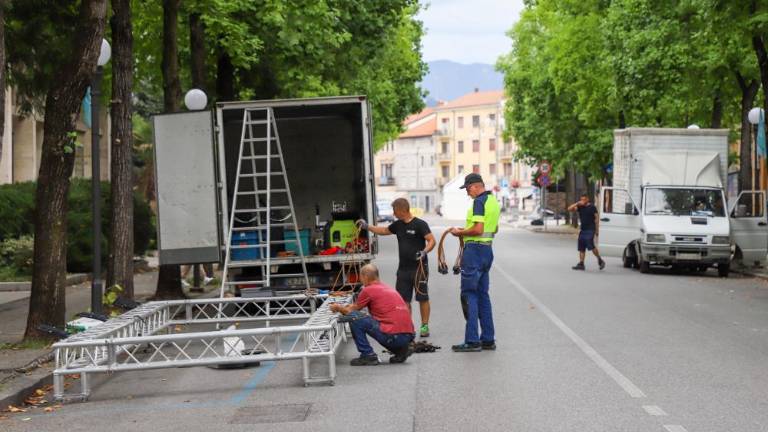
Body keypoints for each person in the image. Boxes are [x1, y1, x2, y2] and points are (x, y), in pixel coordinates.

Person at [356, 198, 436, 337]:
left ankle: (424, 326)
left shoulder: (420, 224)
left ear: (401, 209)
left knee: (422, 297)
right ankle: (408, 327)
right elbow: (383, 230)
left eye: (395, 210)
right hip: (403, 270)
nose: (393, 213)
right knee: (404, 300)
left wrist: (424, 252)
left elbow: (432, 240)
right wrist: (367, 226)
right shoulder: (398, 225)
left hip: (419, 268)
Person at [448, 173, 500, 352]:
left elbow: (478, 229)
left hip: (475, 252)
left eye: (468, 188)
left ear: (477, 186)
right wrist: (466, 230)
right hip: (487, 250)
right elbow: (493, 228)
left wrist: (460, 233)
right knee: (483, 295)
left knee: (469, 294)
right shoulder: (493, 201)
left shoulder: (478, 202)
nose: (467, 193)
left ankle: (472, 341)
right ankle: (487, 339)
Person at [329, 264, 415, 365]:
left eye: (361, 277)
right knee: (380, 322)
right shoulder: (386, 288)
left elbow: (352, 311)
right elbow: (354, 307)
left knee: (355, 318)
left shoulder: (368, 290)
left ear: (365, 276)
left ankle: (368, 355)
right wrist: (346, 307)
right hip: (408, 336)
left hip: (393, 337)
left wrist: (338, 308)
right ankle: (401, 351)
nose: (361, 281)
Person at [567, 193, 605, 271]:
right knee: (581, 247)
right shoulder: (580, 207)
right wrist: (577, 203)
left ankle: (600, 260)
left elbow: (596, 219)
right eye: (581, 199)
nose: (583, 201)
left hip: (590, 229)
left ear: (587, 199)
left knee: (590, 245)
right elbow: (569, 209)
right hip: (583, 230)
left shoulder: (592, 207)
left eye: (584, 199)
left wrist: (597, 230)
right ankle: (581, 264)